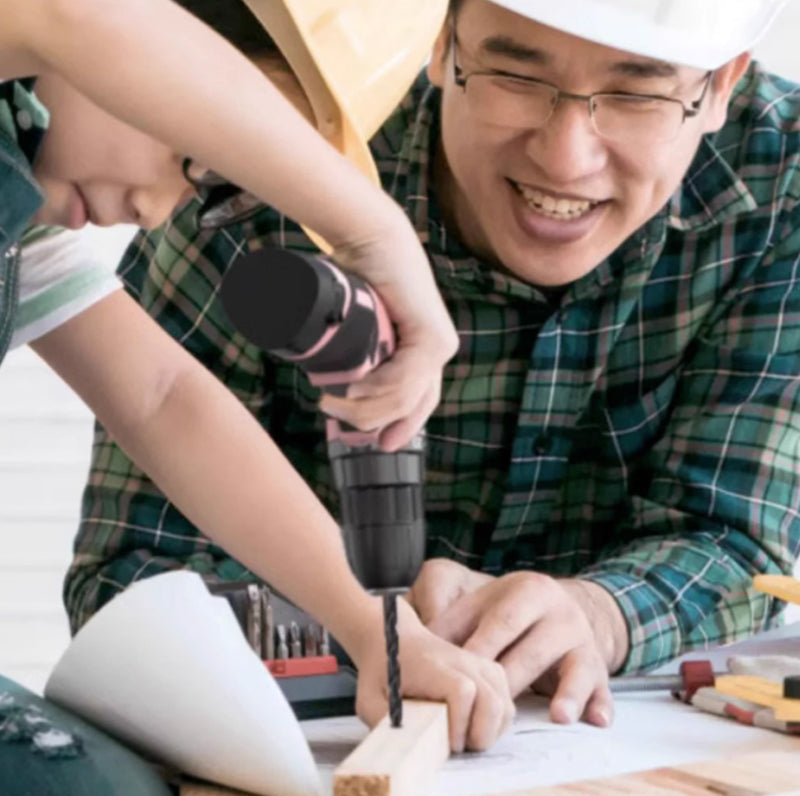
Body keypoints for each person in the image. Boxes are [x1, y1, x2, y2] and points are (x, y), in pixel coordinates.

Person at [69, 0, 800, 732]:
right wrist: (368, 631)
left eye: (637, 95)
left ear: (721, 85)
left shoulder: (783, 181)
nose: (565, 159)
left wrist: (599, 614)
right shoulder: (270, 153)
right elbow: (134, 582)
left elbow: (739, 541)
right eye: (515, 75)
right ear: (442, 39)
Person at [1, 0, 516, 758]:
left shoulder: (25, 236)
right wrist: (374, 230)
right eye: (197, 155)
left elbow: (163, 400)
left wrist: (382, 633)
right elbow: (67, 15)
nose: (154, 214)